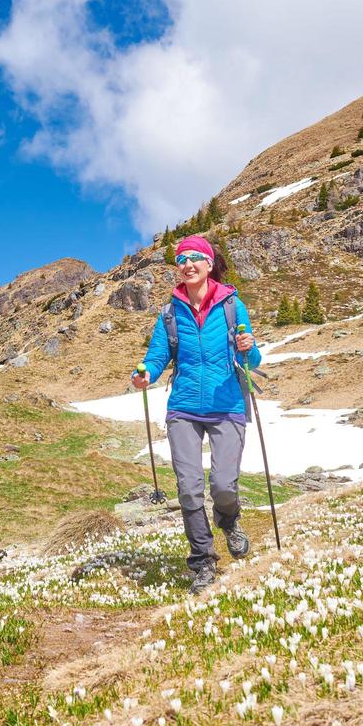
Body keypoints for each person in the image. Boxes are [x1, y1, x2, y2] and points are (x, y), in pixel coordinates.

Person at [132, 234, 262, 593]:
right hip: (184, 409)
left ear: (208, 264)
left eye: (194, 258)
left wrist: (248, 349)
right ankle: (203, 563)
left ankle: (228, 520)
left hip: (228, 405)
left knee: (223, 485)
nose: (188, 264)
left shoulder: (232, 305)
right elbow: (159, 355)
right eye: (181, 259)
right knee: (189, 490)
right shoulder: (171, 312)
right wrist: (146, 375)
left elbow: (252, 359)